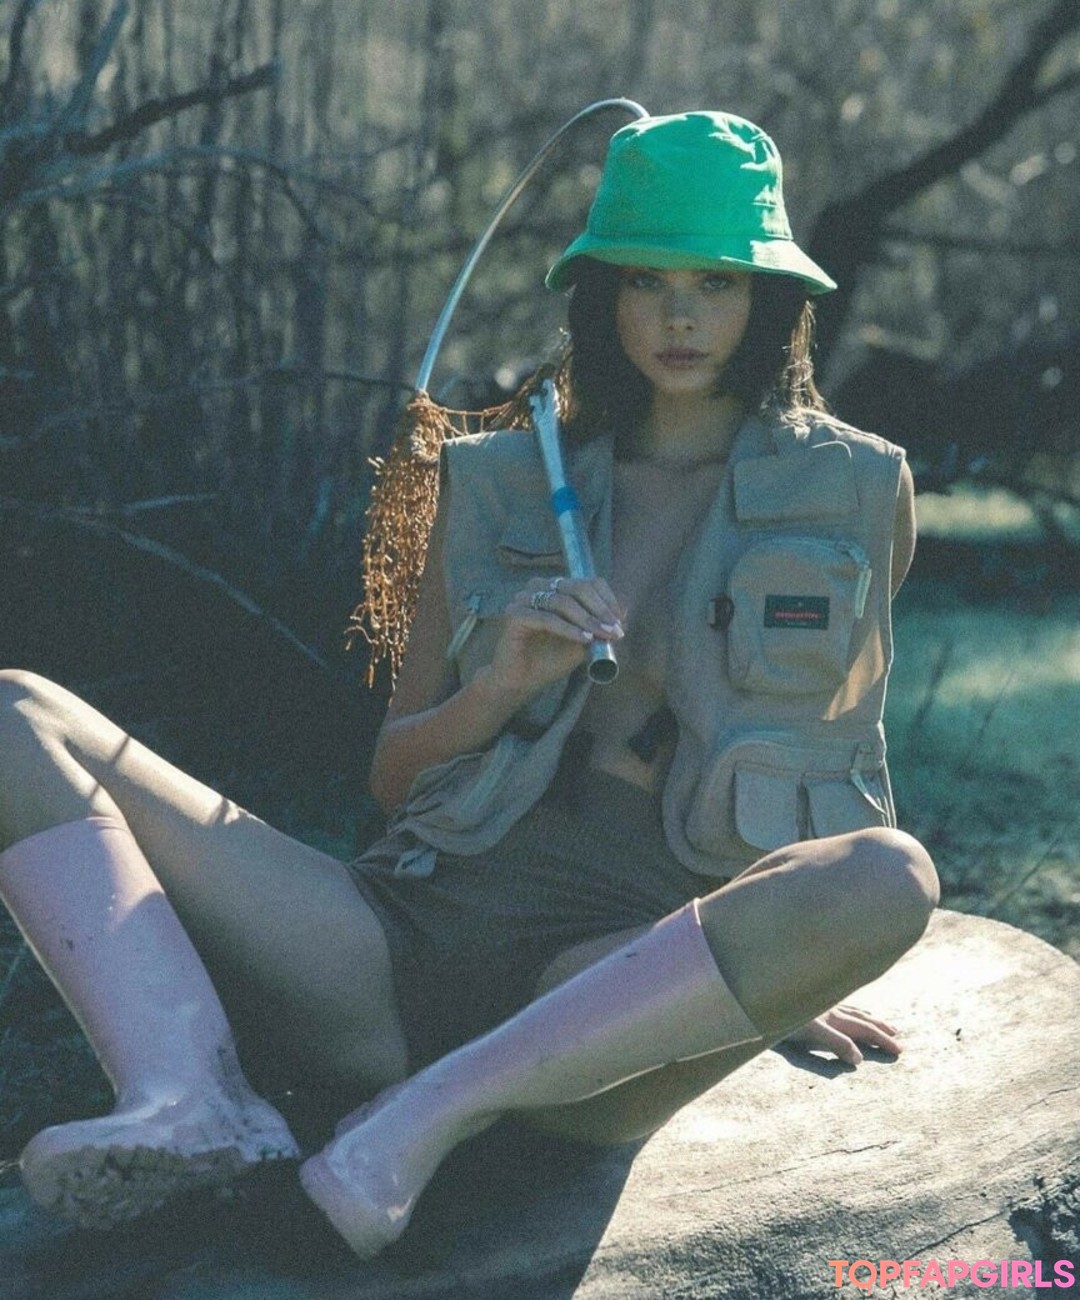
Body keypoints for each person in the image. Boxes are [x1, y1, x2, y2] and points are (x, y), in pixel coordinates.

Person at [0, 110, 938, 1257]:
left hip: (599, 999)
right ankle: (188, 1098)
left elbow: (838, 756)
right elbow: (395, 779)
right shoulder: (497, 479)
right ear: (601, 294)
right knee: (15, 712)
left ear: (771, 298)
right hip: (393, 950)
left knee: (889, 876)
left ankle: (431, 1114)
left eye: (716, 281)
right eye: (646, 281)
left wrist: (777, 958)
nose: (681, 316)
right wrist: (496, 684)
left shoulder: (858, 491)